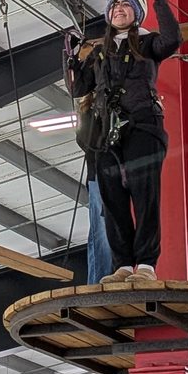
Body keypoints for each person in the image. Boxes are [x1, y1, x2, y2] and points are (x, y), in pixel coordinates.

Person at [66, 0, 181, 284]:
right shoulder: (100, 52)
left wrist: (160, 4)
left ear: (137, 13)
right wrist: (73, 61)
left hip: (142, 127)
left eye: (127, 5)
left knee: (145, 196)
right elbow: (80, 90)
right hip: (107, 135)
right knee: (113, 200)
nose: (120, 9)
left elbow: (172, 40)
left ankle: (145, 265)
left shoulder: (148, 43)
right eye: (115, 6)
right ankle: (123, 265)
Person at [75, 93, 113, 284]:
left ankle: (99, 281)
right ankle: (99, 282)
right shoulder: (89, 113)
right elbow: (90, 142)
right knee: (101, 234)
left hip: (103, 175)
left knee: (100, 234)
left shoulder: (90, 113)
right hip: (100, 176)